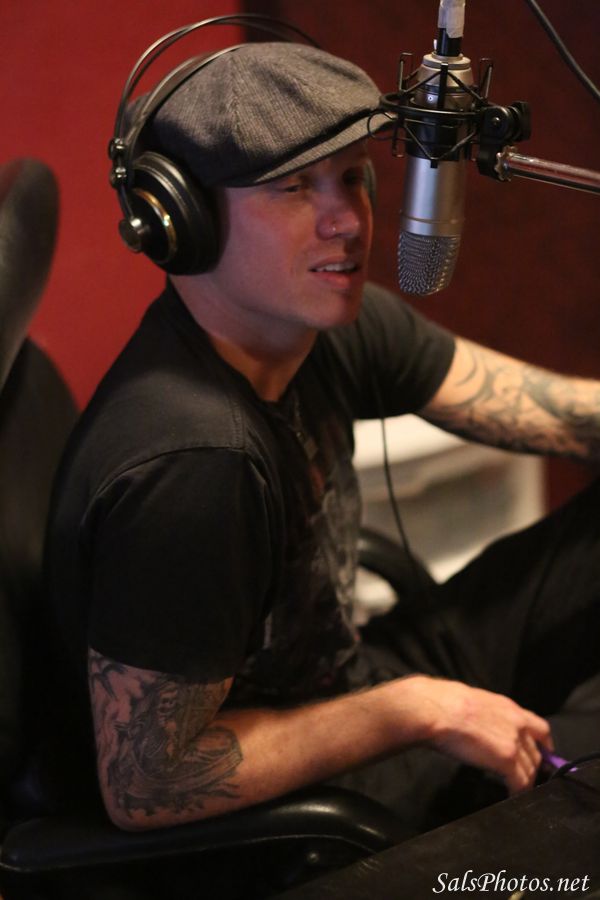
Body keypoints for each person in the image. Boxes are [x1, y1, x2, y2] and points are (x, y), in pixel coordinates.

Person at [45, 39, 600, 839]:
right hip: (278, 824)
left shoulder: (322, 327)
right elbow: (147, 786)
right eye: (295, 187)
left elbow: (557, 413)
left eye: (352, 177)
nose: (347, 220)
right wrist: (415, 709)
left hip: (347, 685)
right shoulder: (193, 465)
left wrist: (409, 702)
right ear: (183, 219)